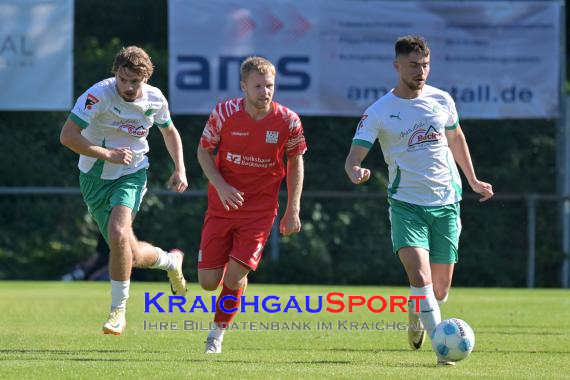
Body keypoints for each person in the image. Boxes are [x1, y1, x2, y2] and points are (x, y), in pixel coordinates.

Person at [344, 36, 493, 365]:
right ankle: (443, 353)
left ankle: (417, 308)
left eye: (425, 64)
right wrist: (355, 169)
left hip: (447, 203)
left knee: (438, 291)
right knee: (421, 279)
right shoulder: (379, 112)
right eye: (413, 65)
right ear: (397, 66)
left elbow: (456, 138)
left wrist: (472, 180)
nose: (420, 71)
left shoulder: (442, 100)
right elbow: (354, 156)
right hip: (406, 205)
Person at [60, 46, 189, 336]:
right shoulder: (98, 95)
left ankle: (118, 311)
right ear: (115, 73)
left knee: (119, 232)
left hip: (132, 173)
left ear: (146, 79)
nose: (129, 87)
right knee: (128, 252)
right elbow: (67, 136)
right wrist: (107, 154)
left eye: (135, 82)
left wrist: (179, 168)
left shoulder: (155, 98)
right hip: (93, 177)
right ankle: (171, 261)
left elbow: (169, 131)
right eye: (124, 80)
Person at [196, 56, 307, 354]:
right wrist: (221, 185)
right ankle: (237, 284)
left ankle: (215, 336)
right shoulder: (224, 113)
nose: (265, 92)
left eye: (269, 85)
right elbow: (203, 151)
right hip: (221, 207)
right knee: (208, 282)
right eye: (258, 86)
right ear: (244, 86)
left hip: (259, 212)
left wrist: (292, 208)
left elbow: (296, 162)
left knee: (233, 276)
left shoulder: (288, 120)